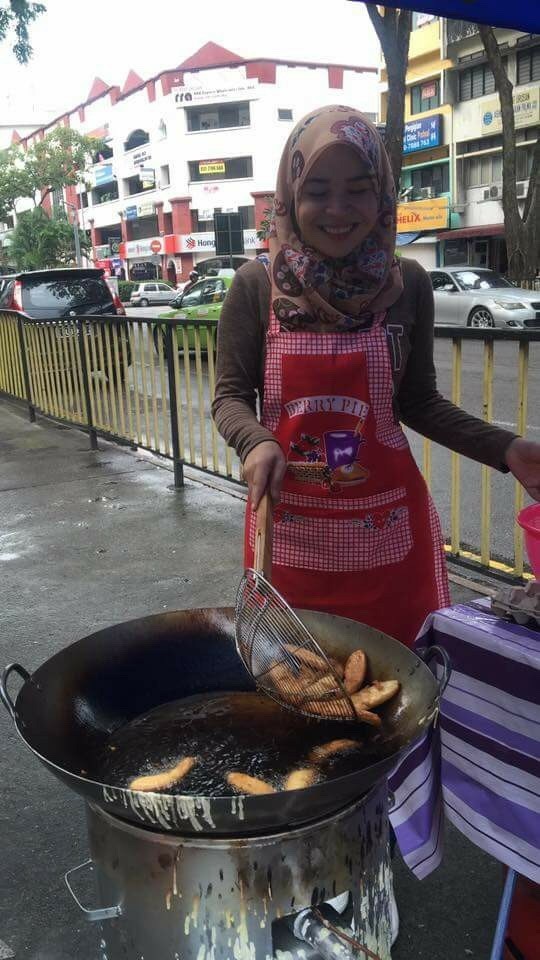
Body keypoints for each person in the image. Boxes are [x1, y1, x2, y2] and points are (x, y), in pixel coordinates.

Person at [213, 105, 540, 648]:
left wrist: (505, 449)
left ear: (383, 193)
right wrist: (255, 442)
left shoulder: (406, 283)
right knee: (296, 691)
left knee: (400, 691)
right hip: (291, 540)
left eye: (359, 189)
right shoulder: (255, 286)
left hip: (389, 540)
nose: (338, 209)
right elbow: (229, 397)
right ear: (291, 195)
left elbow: (418, 402)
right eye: (317, 190)